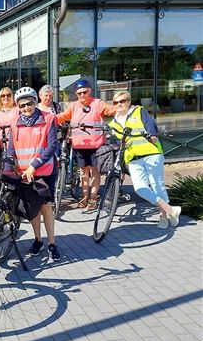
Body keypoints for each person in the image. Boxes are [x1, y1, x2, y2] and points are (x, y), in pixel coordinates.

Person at [108, 91, 181, 229]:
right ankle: (171, 210)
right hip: (133, 159)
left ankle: (163, 217)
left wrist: (152, 135)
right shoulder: (114, 123)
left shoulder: (139, 112)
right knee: (140, 188)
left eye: (122, 101)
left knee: (156, 185)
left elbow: (150, 124)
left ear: (128, 101)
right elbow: (114, 143)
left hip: (151, 153)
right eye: (115, 102)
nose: (119, 104)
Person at [8, 87, 60, 261]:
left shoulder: (48, 119)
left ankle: (52, 243)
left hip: (44, 170)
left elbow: (52, 146)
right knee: (33, 209)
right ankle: (38, 240)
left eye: (29, 103)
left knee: (46, 207)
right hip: (25, 173)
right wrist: (11, 162)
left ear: (35, 102)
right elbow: (11, 149)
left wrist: (34, 165)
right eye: (22, 105)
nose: (26, 108)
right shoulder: (14, 124)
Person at [56, 79, 116, 208]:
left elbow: (111, 110)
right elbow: (62, 116)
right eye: (79, 93)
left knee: (95, 172)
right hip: (79, 146)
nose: (82, 95)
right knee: (84, 172)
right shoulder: (74, 106)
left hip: (96, 146)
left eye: (84, 92)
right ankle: (84, 197)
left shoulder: (97, 104)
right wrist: (50, 118)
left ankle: (93, 198)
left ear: (90, 91)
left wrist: (124, 107)